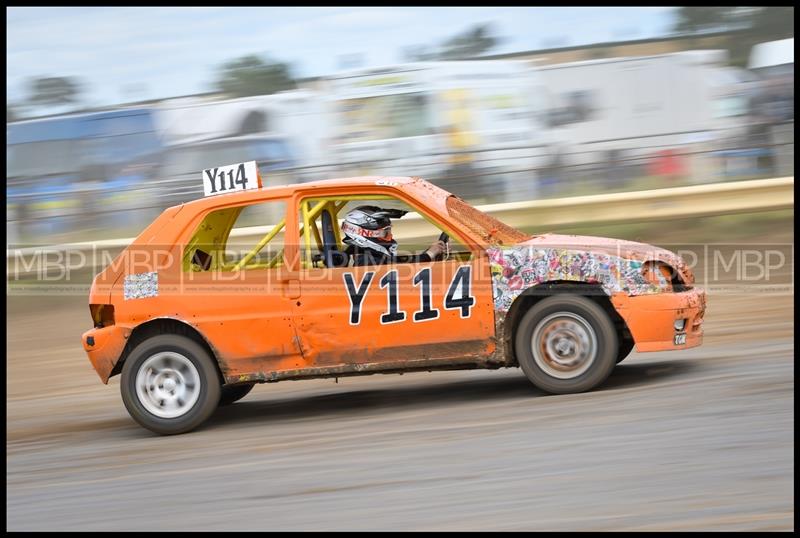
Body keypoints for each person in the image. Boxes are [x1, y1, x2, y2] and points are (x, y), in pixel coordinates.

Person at [341, 205, 446, 266]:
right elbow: (400, 269)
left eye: (389, 231)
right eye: (385, 232)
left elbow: (395, 263)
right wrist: (428, 255)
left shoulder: (365, 254)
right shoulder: (364, 261)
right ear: (364, 234)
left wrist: (431, 252)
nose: (390, 237)